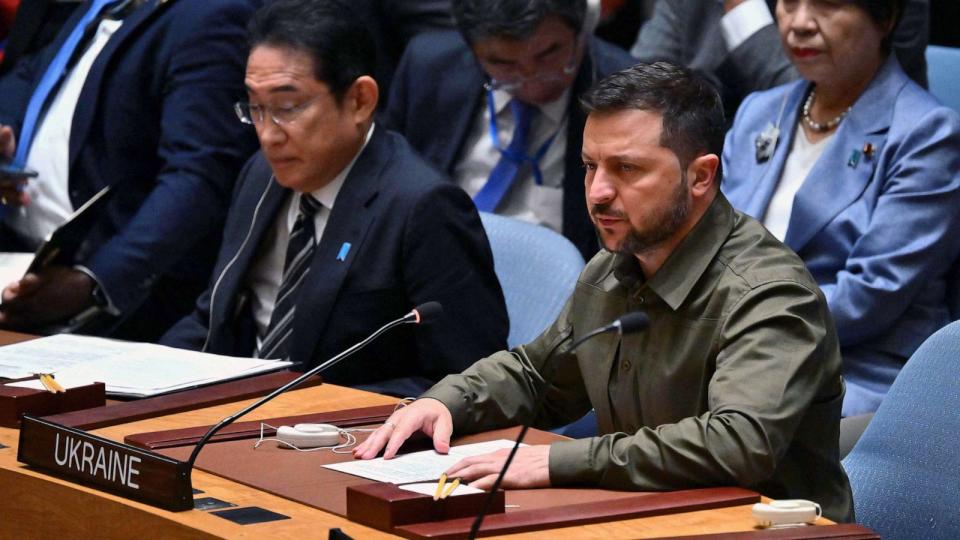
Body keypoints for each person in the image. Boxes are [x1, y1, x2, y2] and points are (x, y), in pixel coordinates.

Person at [356, 62, 854, 522]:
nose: (597, 192)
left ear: (701, 175)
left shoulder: (770, 293)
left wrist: (558, 460)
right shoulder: (612, 270)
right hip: (649, 518)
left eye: (627, 169)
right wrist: (445, 403)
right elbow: (538, 377)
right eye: (591, 166)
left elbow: (738, 444)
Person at [161, 0, 509, 398]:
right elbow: (213, 318)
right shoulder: (261, 173)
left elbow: (470, 381)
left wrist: (313, 409)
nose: (268, 135)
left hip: (337, 435)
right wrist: (138, 378)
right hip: (236, 412)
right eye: (256, 108)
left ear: (359, 100)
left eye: (287, 108)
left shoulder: (423, 207)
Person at [722, 0, 960, 417]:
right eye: (788, 3)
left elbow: (870, 294)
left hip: (853, 373)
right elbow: (710, 250)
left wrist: (736, 330)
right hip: (734, 357)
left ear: (885, 18)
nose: (799, 23)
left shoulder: (927, 134)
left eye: (827, 4)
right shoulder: (758, 112)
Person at [0, 0, 261, 340]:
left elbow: (199, 176)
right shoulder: (101, 4)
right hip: (16, 252)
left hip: (109, 290)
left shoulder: (212, 15)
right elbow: (31, 70)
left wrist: (95, 282)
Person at [383, 0, 635, 260]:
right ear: (473, 50)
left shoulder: (631, 99)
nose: (532, 83)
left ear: (582, 27)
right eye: (503, 64)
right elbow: (391, 186)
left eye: (549, 54)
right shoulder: (431, 66)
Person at [629, 0, 928, 119]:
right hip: (706, 161)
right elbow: (639, 89)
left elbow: (825, 97)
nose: (800, 22)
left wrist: (742, 10)